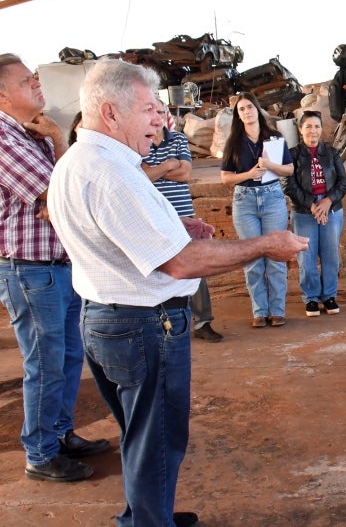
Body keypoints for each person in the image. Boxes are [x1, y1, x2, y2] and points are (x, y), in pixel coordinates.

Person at [48, 58, 308, 527]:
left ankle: (146, 516)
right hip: (142, 324)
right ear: (110, 113)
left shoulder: (81, 162)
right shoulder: (112, 172)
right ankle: (149, 522)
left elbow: (108, 232)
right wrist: (267, 244)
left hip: (105, 317)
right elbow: (181, 262)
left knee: (141, 436)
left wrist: (172, 226)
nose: (161, 121)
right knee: (160, 439)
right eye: (149, 109)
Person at [0, 53, 111, 483]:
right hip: (30, 270)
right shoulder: (6, 140)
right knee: (45, 362)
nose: (37, 84)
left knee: (67, 357)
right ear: (4, 95)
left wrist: (53, 140)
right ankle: (41, 453)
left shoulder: (34, 134)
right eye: (28, 81)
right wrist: (61, 143)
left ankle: (60, 434)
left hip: (57, 267)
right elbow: (57, 200)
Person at [144, 98, 222, 341]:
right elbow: (143, 177)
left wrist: (157, 171)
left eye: (161, 110)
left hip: (184, 213)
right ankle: (168, 324)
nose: (157, 116)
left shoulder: (177, 139)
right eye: (152, 111)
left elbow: (186, 172)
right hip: (155, 216)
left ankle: (203, 322)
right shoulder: (140, 142)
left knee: (196, 266)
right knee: (161, 269)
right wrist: (169, 164)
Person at [220, 92, 294, 328]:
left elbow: (290, 169)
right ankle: (260, 311)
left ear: (257, 109)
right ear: (238, 115)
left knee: (275, 256)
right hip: (245, 200)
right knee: (252, 258)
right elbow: (225, 177)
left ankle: (278, 311)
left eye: (250, 107)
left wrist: (269, 165)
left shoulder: (274, 138)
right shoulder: (233, 141)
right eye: (241, 109)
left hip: (272, 198)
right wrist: (249, 174)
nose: (246, 112)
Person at [285, 109, 346, 316]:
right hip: (304, 210)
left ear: (322, 129)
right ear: (300, 129)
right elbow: (290, 185)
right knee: (307, 256)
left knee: (330, 254)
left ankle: (329, 296)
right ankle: (311, 298)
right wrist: (313, 205)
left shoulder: (332, 152)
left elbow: (343, 182)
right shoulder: (293, 154)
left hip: (331, 208)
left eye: (317, 126)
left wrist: (327, 202)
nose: (313, 130)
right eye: (308, 126)